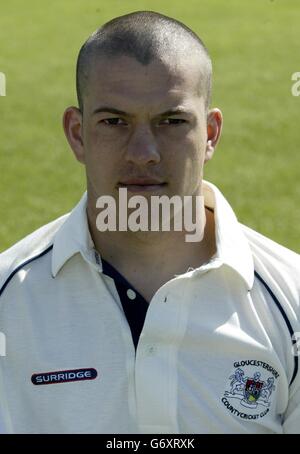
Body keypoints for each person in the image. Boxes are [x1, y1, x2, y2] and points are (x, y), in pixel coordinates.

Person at [0, 10, 299, 434]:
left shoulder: (292, 303)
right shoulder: (7, 302)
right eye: (115, 122)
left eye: (172, 121)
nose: (143, 152)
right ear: (78, 133)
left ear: (210, 134)